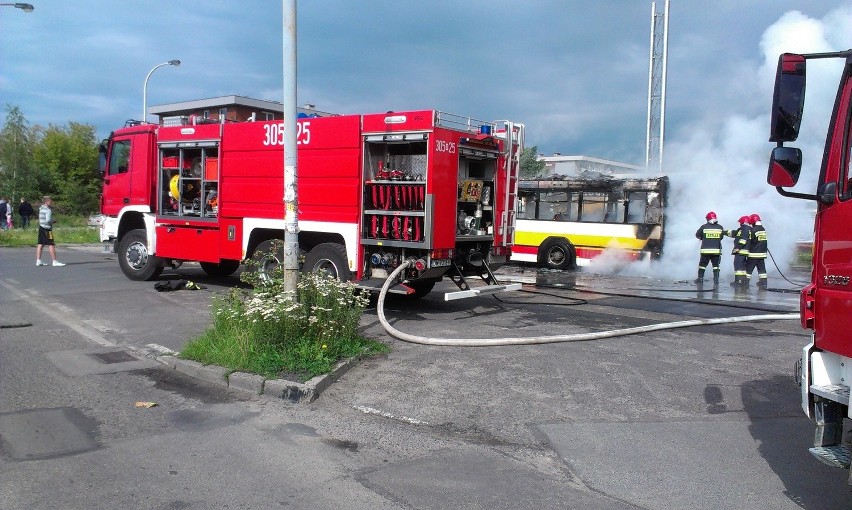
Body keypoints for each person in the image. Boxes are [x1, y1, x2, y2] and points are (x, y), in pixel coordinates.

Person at [694, 211, 724, 285]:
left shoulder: (704, 227)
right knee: (716, 266)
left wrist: (703, 238)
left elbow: (697, 235)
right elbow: (721, 237)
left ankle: (700, 279)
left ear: (707, 219)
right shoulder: (720, 227)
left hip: (705, 251)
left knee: (702, 265)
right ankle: (716, 280)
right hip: (716, 251)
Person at [35, 196, 65, 267]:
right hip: (47, 229)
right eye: (49, 201)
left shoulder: (41, 208)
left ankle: (38, 261)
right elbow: (48, 220)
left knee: (40, 244)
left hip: (41, 227)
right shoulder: (48, 210)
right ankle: (54, 261)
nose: (51, 202)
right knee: (51, 244)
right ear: (46, 202)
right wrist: (54, 221)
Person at [727, 215, 752, 287]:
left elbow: (743, 240)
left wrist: (737, 248)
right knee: (743, 267)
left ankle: (738, 281)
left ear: (743, 222)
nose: (740, 224)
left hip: (741, 251)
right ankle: (743, 280)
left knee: (738, 266)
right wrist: (724, 232)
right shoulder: (748, 229)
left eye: (740, 222)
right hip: (745, 251)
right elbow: (734, 233)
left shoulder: (744, 229)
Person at [746, 213, 768, 288]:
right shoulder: (763, 229)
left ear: (753, 222)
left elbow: (749, 241)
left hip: (754, 254)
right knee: (762, 270)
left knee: (748, 270)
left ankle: (745, 282)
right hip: (762, 254)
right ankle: (763, 282)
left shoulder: (753, 230)